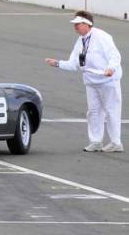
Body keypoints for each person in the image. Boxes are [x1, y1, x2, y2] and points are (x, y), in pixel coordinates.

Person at [45, 11, 123, 152]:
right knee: (93, 112)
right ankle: (95, 141)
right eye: (74, 24)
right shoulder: (80, 41)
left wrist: (111, 68)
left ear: (88, 24)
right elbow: (74, 64)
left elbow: (114, 55)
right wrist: (57, 63)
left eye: (78, 24)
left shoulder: (102, 37)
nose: (75, 27)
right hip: (91, 82)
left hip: (107, 81)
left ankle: (115, 142)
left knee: (112, 111)